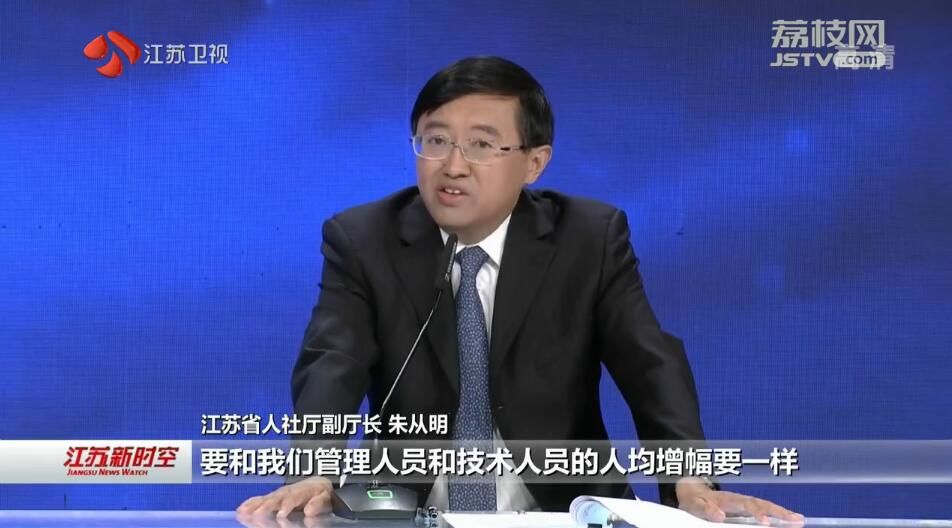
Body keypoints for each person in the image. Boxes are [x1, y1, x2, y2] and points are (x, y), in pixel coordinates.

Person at [238, 56, 803, 525]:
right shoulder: (363, 239)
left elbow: (648, 363)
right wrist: (313, 469)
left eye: (482, 145)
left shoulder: (588, 237)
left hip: (564, 511)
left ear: (534, 163)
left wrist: (689, 482)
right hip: (405, 512)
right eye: (435, 140)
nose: (453, 166)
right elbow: (333, 360)